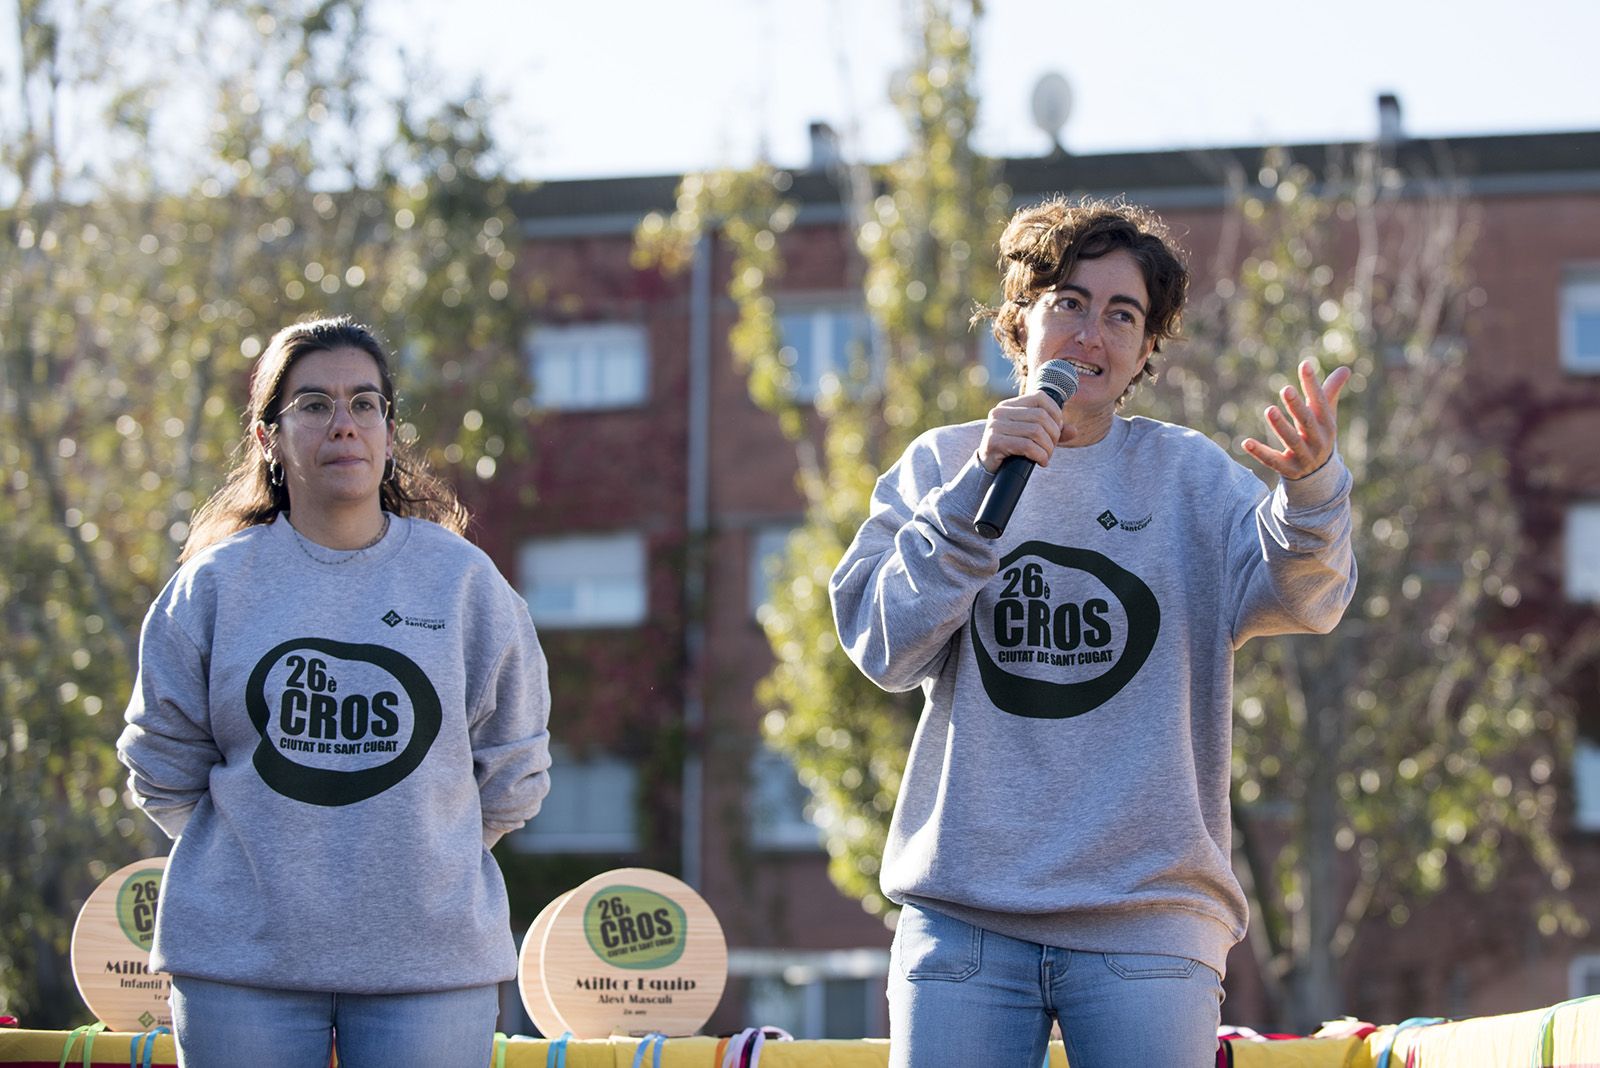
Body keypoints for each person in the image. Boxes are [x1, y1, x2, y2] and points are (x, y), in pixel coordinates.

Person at [830, 197, 1355, 1067]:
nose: (1092, 334)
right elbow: (886, 648)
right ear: (1020, 322)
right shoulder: (939, 464)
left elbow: (1309, 598)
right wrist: (975, 493)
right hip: (963, 923)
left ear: (1146, 349)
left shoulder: (1190, 478)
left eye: (1123, 315)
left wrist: (1313, 492)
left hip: (1147, 927)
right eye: (1069, 303)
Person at [117, 315, 552, 1068]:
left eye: (364, 403)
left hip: (430, 970)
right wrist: (266, 862)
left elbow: (513, 774)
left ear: (388, 430)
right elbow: (161, 766)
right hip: (239, 970)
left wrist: (421, 857)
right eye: (314, 405)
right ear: (270, 439)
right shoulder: (214, 587)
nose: (342, 425)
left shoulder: (463, 584)